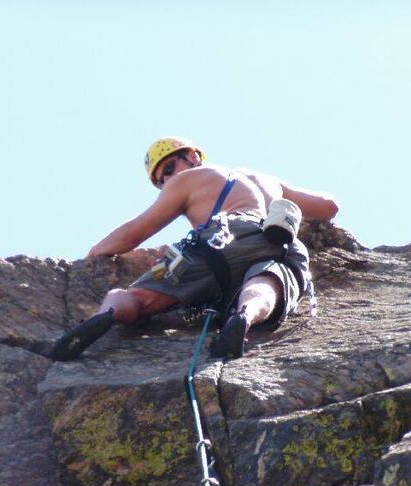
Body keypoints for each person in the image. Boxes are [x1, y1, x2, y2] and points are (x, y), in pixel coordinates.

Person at [51, 136, 338, 362]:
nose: (167, 181)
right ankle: (245, 316)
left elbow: (134, 233)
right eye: (162, 179)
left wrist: (93, 253)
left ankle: (108, 315)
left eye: (168, 170)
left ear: (191, 157)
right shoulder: (267, 180)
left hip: (219, 240)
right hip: (280, 240)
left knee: (136, 297)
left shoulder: (189, 180)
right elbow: (328, 207)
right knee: (267, 281)